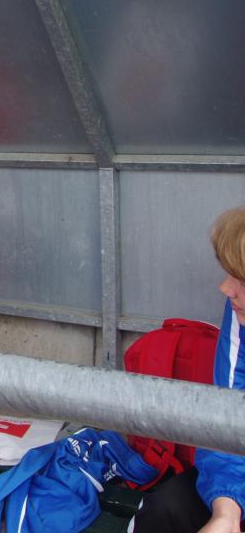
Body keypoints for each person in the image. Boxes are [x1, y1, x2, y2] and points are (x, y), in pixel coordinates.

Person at [131, 207, 245, 533]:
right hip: (239, 470)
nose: (226, 288)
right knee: (165, 510)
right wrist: (227, 511)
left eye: (241, 279)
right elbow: (226, 417)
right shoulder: (239, 313)